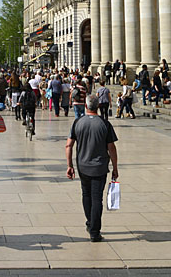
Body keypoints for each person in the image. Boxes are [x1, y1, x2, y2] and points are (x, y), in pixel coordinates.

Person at [65, 94, 118, 242]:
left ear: (86, 106)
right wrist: (115, 167)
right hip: (100, 167)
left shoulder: (77, 122)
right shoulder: (105, 124)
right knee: (97, 199)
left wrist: (69, 165)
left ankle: (90, 222)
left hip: (83, 166)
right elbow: (111, 148)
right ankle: (95, 231)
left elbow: (68, 145)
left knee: (86, 195)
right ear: (99, 106)